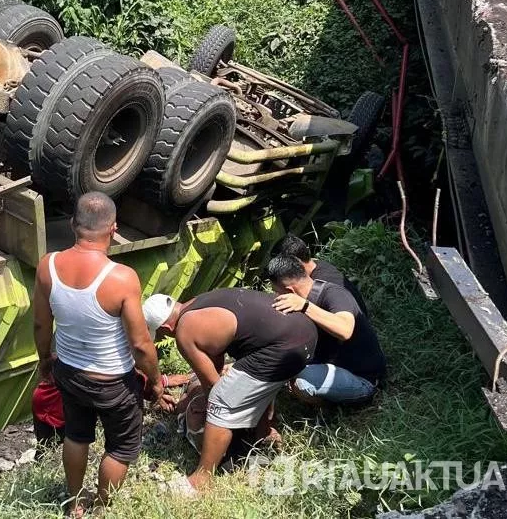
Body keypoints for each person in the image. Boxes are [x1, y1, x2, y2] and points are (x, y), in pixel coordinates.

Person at [33, 192, 170, 516]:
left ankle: (74, 505)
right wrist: (154, 380)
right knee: (120, 448)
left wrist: (44, 361)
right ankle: (102, 506)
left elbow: (40, 323)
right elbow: (140, 345)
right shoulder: (121, 278)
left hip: (68, 372)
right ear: (113, 229)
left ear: (72, 225)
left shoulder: (47, 266)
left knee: (77, 436)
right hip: (113, 384)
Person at [142, 288, 317, 491]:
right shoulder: (199, 301)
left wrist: (205, 407)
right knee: (249, 383)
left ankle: (202, 479)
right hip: (305, 334)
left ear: (165, 327)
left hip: (283, 349)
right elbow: (215, 365)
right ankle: (263, 434)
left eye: (162, 333)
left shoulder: (184, 331)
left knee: (220, 401)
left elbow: (213, 386)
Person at [264, 254, 386, 405]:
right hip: (332, 366)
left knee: (300, 380)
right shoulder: (306, 300)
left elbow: (345, 330)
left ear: (290, 291)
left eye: (278, 292)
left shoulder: (333, 293)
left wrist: (306, 307)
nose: (277, 296)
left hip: (363, 380)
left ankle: (333, 411)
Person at [273, 233, 370, 316]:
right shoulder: (318, 264)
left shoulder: (322, 285)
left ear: (296, 261)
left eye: (282, 264)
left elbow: (345, 326)